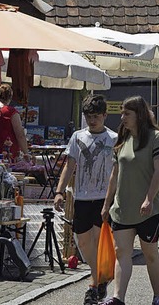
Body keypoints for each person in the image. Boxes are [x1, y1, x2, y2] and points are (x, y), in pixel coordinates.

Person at [101, 96, 159, 305]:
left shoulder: (156, 138)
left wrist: (149, 199)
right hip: (123, 208)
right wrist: (106, 204)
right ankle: (117, 298)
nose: (122, 118)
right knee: (122, 253)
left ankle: (158, 296)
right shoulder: (122, 139)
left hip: (148, 209)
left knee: (150, 254)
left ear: (138, 115)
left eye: (126, 114)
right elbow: (114, 175)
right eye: (121, 113)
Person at [53, 94, 117, 305]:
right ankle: (99, 276)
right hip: (81, 196)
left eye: (96, 116)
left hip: (103, 197)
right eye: (89, 116)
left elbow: (118, 171)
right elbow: (70, 165)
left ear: (105, 115)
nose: (92, 120)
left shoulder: (114, 138)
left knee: (99, 241)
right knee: (82, 241)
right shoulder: (77, 137)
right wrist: (59, 191)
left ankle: (94, 284)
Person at [0, 84, 30, 161]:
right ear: (10, 97)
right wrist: (26, 153)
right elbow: (20, 134)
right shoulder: (11, 112)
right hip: (9, 153)